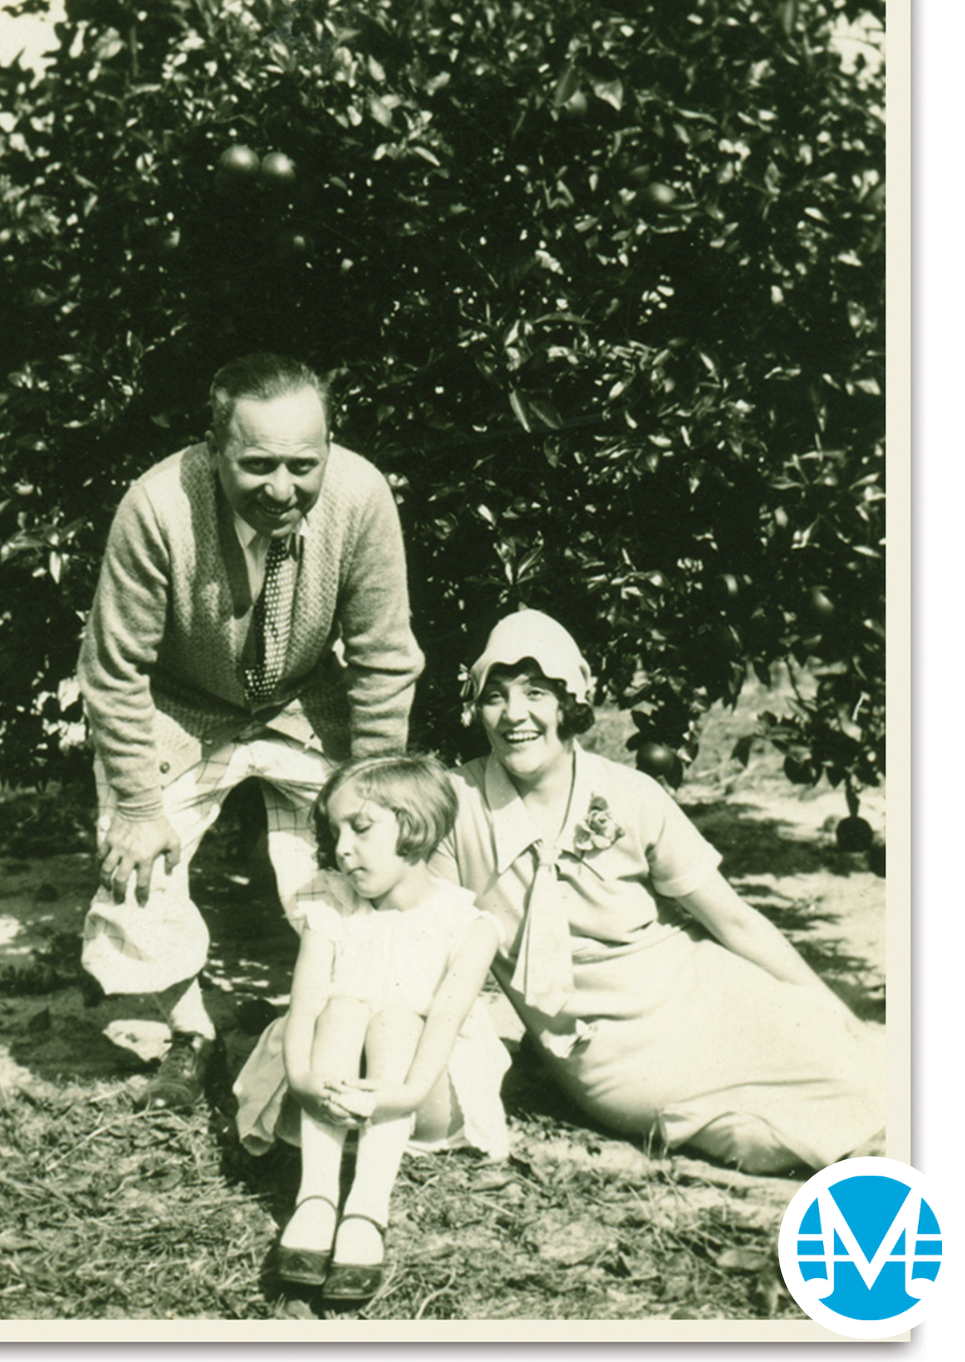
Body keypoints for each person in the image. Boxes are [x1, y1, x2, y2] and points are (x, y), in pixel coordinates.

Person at [78, 353, 424, 1109]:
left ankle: (354, 1013)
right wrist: (137, 807)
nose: (281, 488)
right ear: (213, 448)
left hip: (302, 703)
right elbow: (111, 670)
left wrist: (376, 792)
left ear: (330, 446)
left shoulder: (361, 497)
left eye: (303, 465)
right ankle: (191, 1032)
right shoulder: (157, 506)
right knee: (137, 861)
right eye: (257, 463)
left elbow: (384, 659)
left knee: (381, 852)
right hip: (180, 707)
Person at [432, 608, 886, 1176]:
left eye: (536, 693)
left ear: (570, 700)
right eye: (495, 695)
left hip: (697, 986)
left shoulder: (631, 793)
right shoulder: (456, 806)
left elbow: (734, 920)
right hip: (607, 1045)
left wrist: (829, 1006)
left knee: (861, 1067)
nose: (514, 715)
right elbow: (431, 944)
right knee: (765, 1134)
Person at [233, 755, 508, 1301]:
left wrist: (397, 1096)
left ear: (417, 828)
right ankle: (315, 1198)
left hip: (417, 1098)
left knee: (399, 1018)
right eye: (335, 831)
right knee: (342, 1008)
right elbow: (305, 1008)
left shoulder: (469, 926)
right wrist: (305, 1080)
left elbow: (443, 1029)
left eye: (361, 829)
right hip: (322, 1095)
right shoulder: (333, 906)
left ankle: (366, 1206)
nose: (342, 848)